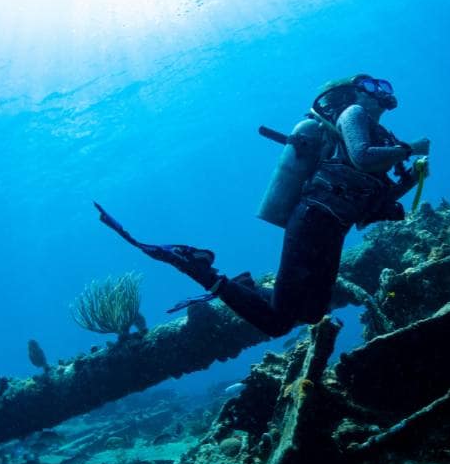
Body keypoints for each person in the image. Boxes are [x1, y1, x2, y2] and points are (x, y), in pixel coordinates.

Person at [95, 74, 430, 337]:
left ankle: (247, 287)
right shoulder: (354, 113)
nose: (379, 94)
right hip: (314, 219)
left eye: (383, 89)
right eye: (370, 86)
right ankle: (196, 266)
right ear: (353, 92)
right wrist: (409, 149)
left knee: (313, 314)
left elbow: (375, 198)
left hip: (335, 227)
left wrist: (411, 179)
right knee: (277, 323)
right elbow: (361, 157)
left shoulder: (379, 135)